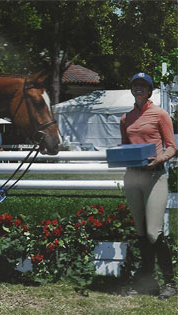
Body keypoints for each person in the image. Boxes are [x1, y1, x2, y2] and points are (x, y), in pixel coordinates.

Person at [120, 72, 177, 299]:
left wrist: (160, 158)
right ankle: (148, 283)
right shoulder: (126, 118)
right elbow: (125, 147)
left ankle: (170, 283)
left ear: (150, 89)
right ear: (132, 89)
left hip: (154, 176)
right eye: (135, 85)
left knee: (154, 232)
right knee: (141, 232)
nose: (139, 88)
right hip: (132, 177)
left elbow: (172, 147)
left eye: (143, 85)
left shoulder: (160, 114)